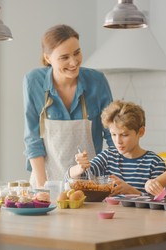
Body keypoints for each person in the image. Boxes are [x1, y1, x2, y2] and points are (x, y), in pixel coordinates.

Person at [23, 24, 114, 188]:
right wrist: (44, 188)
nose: (73, 62)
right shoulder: (33, 81)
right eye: (64, 57)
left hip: (90, 183)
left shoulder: (97, 81)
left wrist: (115, 179)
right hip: (47, 180)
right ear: (47, 58)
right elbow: (33, 139)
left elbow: (112, 135)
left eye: (77, 53)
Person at [66, 100, 166, 195]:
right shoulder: (108, 157)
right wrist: (80, 168)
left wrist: (132, 191)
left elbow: (160, 201)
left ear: (141, 132)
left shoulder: (155, 164)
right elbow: (75, 178)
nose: (118, 141)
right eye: (113, 134)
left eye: (124, 135)